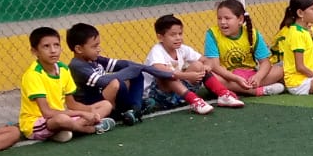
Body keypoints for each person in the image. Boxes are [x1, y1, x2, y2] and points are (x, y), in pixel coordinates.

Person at [67, 23, 209, 122]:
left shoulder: (95, 59)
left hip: (104, 98)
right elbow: (102, 81)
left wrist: (146, 69)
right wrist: (133, 69)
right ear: (79, 49)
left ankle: (135, 109)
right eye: (94, 46)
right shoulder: (77, 66)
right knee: (116, 82)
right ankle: (117, 113)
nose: (99, 49)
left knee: (136, 73)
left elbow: (124, 64)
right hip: (93, 104)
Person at [20, 26, 113, 141]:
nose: (53, 50)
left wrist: (91, 112)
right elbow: (47, 113)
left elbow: (72, 104)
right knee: (62, 120)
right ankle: (90, 129)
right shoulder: (33, 75)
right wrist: (83, 114)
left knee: (106, 105)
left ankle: (66, 130)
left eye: (56, 45)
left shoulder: (63, 69)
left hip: (62, 116)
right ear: (34, 51)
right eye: (46, 46)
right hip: (37, 123)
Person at [149, 14, 244, 106]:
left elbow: (206, 60)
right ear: (160, 37)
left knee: (198, 65)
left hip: (178, 91)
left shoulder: (182, 49)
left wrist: (206, 67)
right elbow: (162, 71)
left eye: (180, 34)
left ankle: (223, 94)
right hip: (159, 95)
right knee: (168, 76)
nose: (178, 38)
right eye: (173, 35)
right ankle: (194, 100)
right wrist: (188, 75)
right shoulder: (157, 51)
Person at [203, 0, 285, 97]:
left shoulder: (253, 34)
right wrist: (236, 79)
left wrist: (258, 77)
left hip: (250, 76)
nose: (222, 22)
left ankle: (239, 88)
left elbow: (265, 62)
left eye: (227, 18)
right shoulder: (212, 34)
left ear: (240, 20)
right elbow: (215, 66)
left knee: (280, 70)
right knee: (208, 75)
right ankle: (254, 91)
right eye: (219, 18)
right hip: (227, 78)